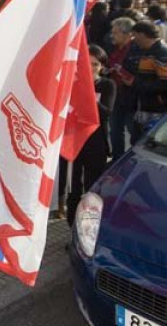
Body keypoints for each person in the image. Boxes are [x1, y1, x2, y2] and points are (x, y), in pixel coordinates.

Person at [60, 45, 115, 226]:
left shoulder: (107, 85)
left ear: (101, 67)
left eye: (95, 65)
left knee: (93, 187)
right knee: (74, 186)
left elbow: (106, 112)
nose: (91, 68)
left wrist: (88, 93)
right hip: (75, 141)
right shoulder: (72, 82)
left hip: (97, 141)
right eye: (87, 64)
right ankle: (72, 226)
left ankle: (89, 227)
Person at [127, 21, 167, 140]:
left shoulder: (161, 53)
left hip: (156, 109)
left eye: (135, 35)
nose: (134, 39)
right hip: (145, 106)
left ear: (142, 35)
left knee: (146, 142)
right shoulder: (147, 51)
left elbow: (165, 83)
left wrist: (137, 84)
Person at [108, 17, 137, 157]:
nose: (112, 35)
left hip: (131, 98)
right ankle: (117, 159)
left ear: (128, 34)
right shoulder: (116, 48)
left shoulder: (135, 50)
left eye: (116, 33)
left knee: (134, 131)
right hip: (117, 95)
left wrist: (120, 71)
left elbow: (134, 77)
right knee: (115, 130)